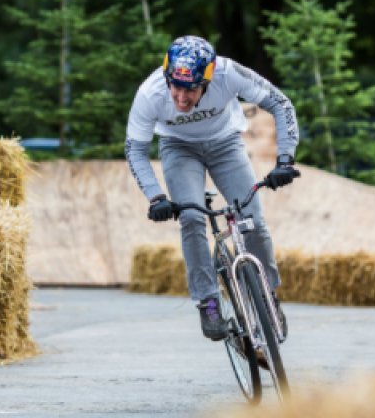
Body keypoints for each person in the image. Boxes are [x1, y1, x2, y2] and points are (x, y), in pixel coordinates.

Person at [125, 36, 299, 341]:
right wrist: (156, 196)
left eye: (190, 89)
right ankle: (208, 302)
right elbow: (135, 149)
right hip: (178, 149)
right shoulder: (150, 92)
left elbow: (280, 103)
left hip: (225, 143)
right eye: (175, 87)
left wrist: (285, 159)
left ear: (207, 80)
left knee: (252, 221)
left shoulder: (227, 72)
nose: (180, 98)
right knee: (191, 219)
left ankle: (267, 294)